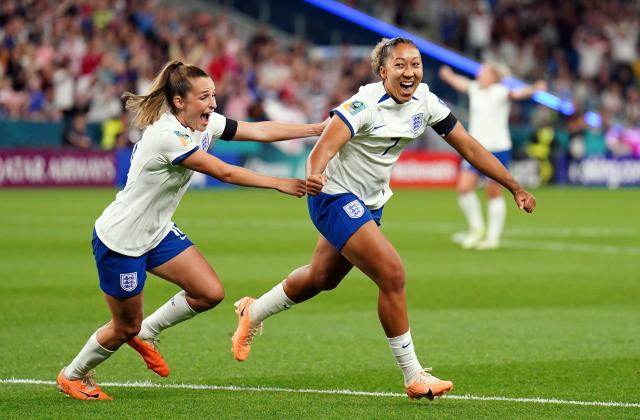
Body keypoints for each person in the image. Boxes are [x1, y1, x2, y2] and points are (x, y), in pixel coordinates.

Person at [231, 38, 536, 401]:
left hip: (371, 202)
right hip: (333, 196)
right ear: (383, 71)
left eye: (416, 65)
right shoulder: (362, 105)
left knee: (321, 278)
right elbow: (323, 147)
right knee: (392, 273)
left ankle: (253, 310)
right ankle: (413, 375)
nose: (410, 72)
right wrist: (315, 174)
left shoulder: (426, 101)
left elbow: (469, 146)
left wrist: (513, 186)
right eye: (400, 65)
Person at [55, 61, 327, 401]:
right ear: (179, 101)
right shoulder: (167, 136)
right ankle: (73, 375)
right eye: (204, 97)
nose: (213, 103)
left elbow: (259, 131)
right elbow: (224, 173)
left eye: (213, 95)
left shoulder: (205, 123)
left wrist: (316, 129)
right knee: (124, 326)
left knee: (208, 292)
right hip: (122, 240)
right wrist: (279, 183)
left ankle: (149, 332)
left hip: (157, 232)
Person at [439, 63, 546, 249]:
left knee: (493, 192)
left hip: (498, 148)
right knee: (464, 187)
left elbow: (517, 94)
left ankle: (493, 237)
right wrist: (448, 76)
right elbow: (461, 82)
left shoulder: (500, 91)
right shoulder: (474, 89)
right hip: (475, 149)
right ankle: (477, 228)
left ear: (493, 77)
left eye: (484, 72)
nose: (480, 75)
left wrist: (534, 89)